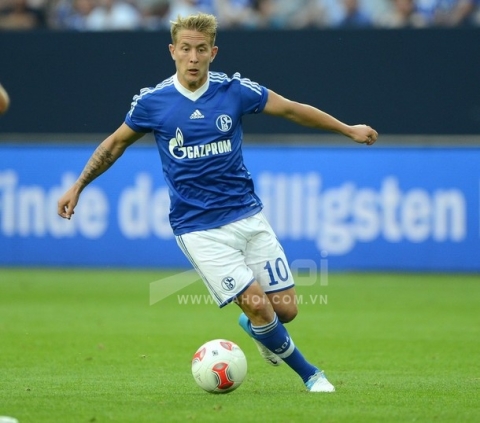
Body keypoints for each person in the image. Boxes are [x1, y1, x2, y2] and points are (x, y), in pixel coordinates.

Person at [57, 12, 378, 393]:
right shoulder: (153, 102)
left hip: (248, 216)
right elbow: (114, 145)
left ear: (214, 52)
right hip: (199, 229)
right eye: (186, 49)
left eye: (202, 50)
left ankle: (255, 329)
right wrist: (79, 184)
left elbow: (292, 109)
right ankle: (312, 375)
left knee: (284, 311)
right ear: (173, 51)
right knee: (259, 306)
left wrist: (347, 129)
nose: (193, 58)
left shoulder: (235, 91)